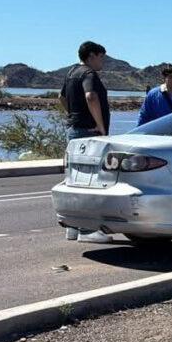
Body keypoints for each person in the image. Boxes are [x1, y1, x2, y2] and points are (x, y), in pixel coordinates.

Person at [58, 40, 113, 243]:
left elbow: (62, 97)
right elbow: (91, 96)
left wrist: (74, 116)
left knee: (74, 178)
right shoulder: (89, 74)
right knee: (88, 180)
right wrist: (100, 126)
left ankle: (72, 227)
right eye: (101, 57)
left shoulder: (72, 72)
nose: (103, 61)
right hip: (88, 134)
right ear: (91, 56)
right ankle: (87, 230)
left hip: (74, 131)